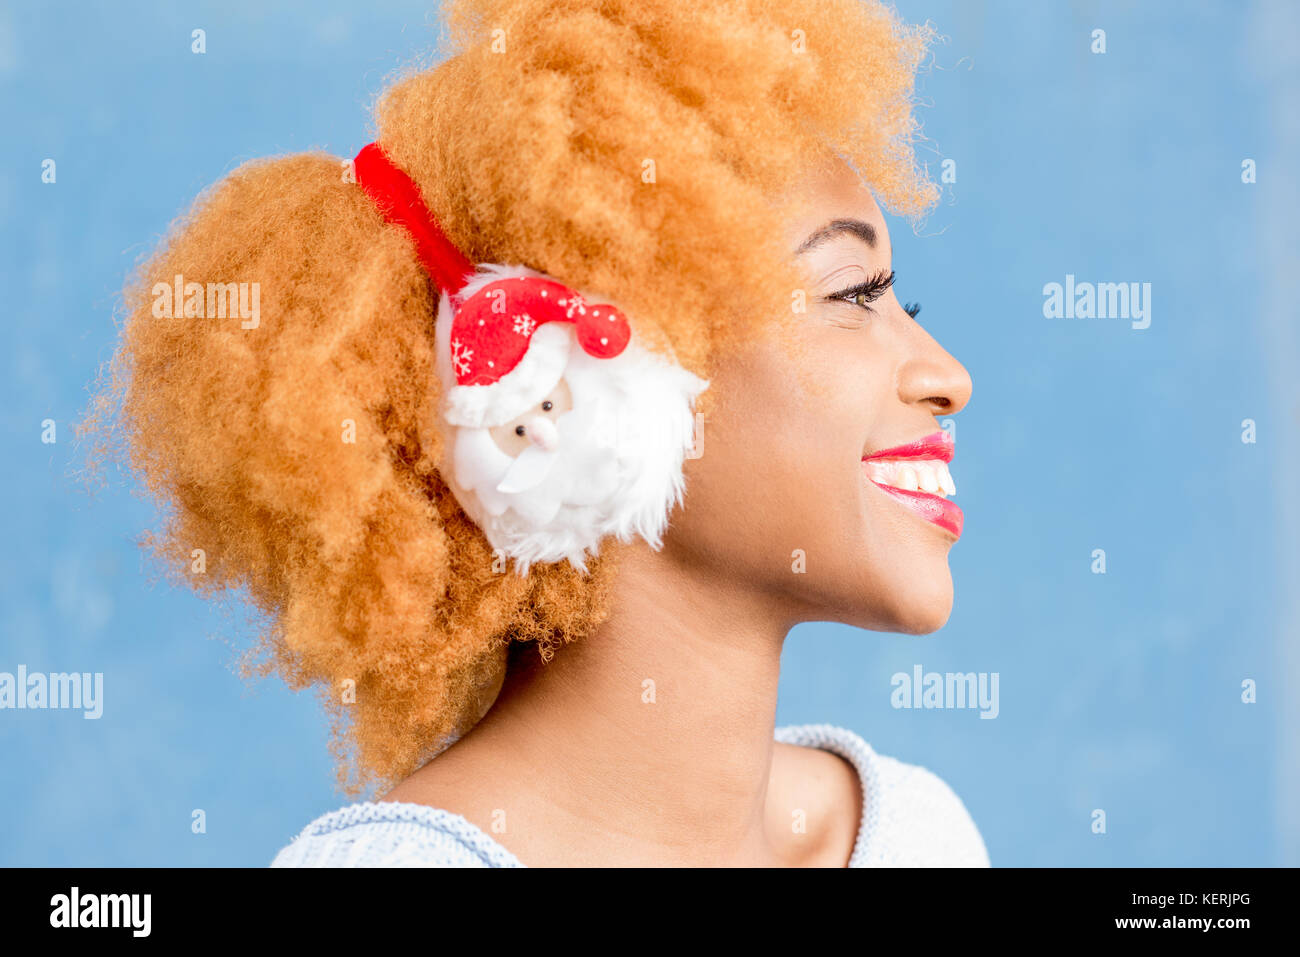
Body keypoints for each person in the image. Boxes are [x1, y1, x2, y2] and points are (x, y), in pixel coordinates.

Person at [91, 0, 988, 867]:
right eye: (852, 294)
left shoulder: (918, 834)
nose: (949, 376)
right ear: (582, 388)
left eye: (900, 299)